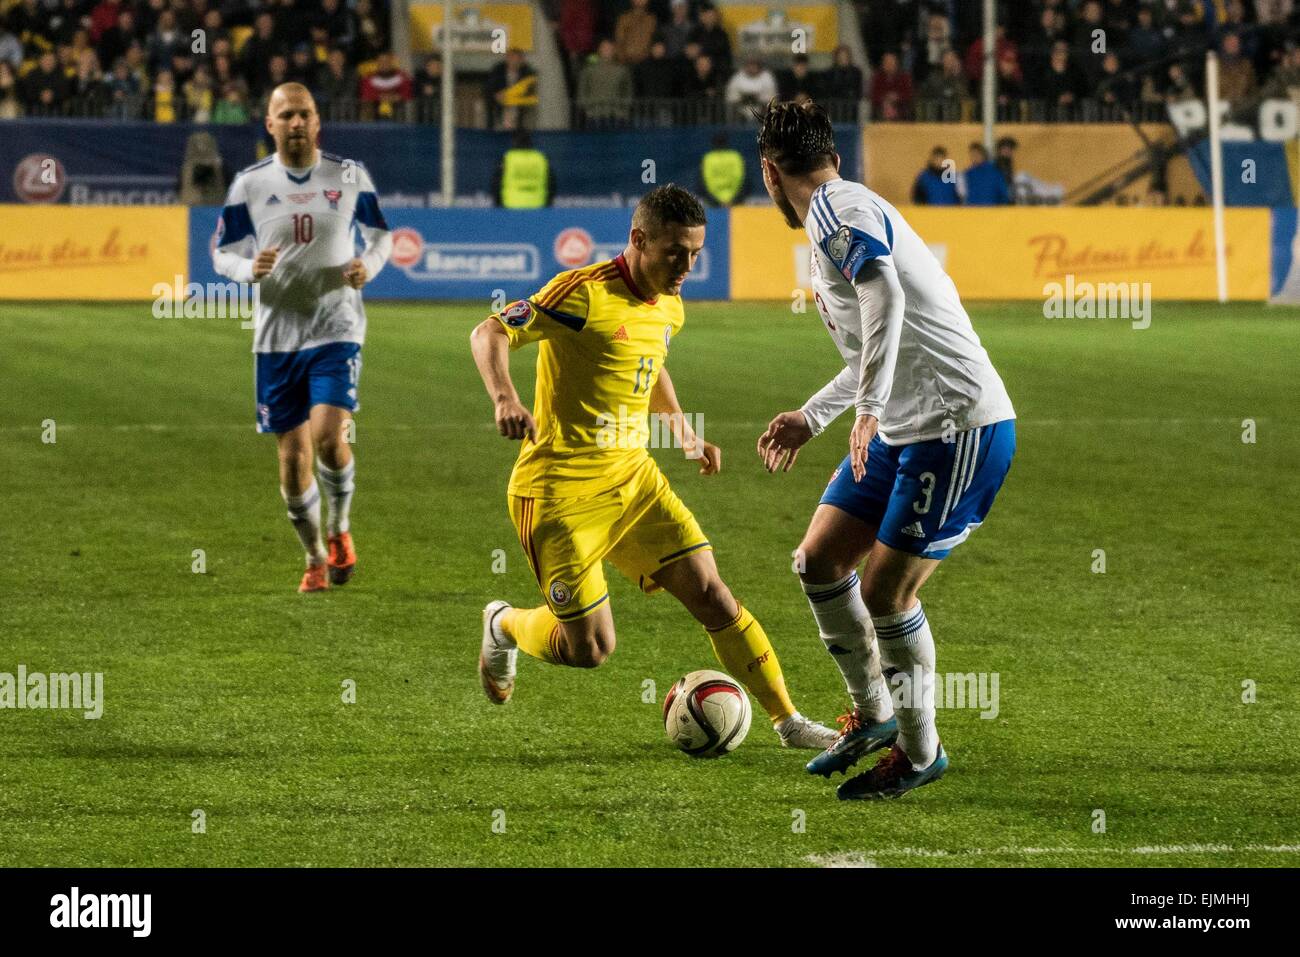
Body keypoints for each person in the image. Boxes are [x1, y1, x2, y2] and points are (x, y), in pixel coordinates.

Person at [470, 185, 837, 752]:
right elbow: (489, 331)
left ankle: (787, 721)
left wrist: (685, 433)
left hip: (635, 482)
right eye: (675, 253)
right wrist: (504, 399)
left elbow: (650, 364)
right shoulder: (582, 294)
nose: (687, 266)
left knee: (713, 594)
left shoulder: (670, 304)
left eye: (695, 254)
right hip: (558, 494)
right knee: (590, 649)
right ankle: (504, 624)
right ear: (638, 240)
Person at [754, 101, 1016, 800]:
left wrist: (864, 414)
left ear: (769, 173)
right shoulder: (839, 211)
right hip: (905, 426)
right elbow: (879, 339)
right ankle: (872, 715)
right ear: (833, 156)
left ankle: (920, 748)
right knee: (819, 559)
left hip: (958, 426)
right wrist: (815, 415)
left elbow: (887, 296)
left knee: (884, 592)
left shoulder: (833, 211)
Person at [212, 83, 393, 593]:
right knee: (292, 461)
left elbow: (382, 237)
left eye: (304, 113)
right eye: (285, 114)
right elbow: (221, 251)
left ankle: (339, 526)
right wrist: (248, 269)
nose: (296, 122)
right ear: (269, 124)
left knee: (329, 435)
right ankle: (314, 554)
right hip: (275, 339)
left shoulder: (349, 175)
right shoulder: (250, 183)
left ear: (317, 122)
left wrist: (368, 265)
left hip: (336, 328)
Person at [493, 130, 553, 208]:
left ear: (514, 142)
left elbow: (496, 183)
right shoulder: (540, 158)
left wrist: (498, 205)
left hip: (511, 206)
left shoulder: (508, 158)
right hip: (538, 206)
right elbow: (551, 183)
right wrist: (547, 204)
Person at [699, 132, 745, 206]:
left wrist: (716, 199)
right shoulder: (735, 157)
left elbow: (706, 179)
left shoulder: (709, 158)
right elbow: (739, 177)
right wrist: (732, 198)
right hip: (735, 199)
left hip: (713, 201)